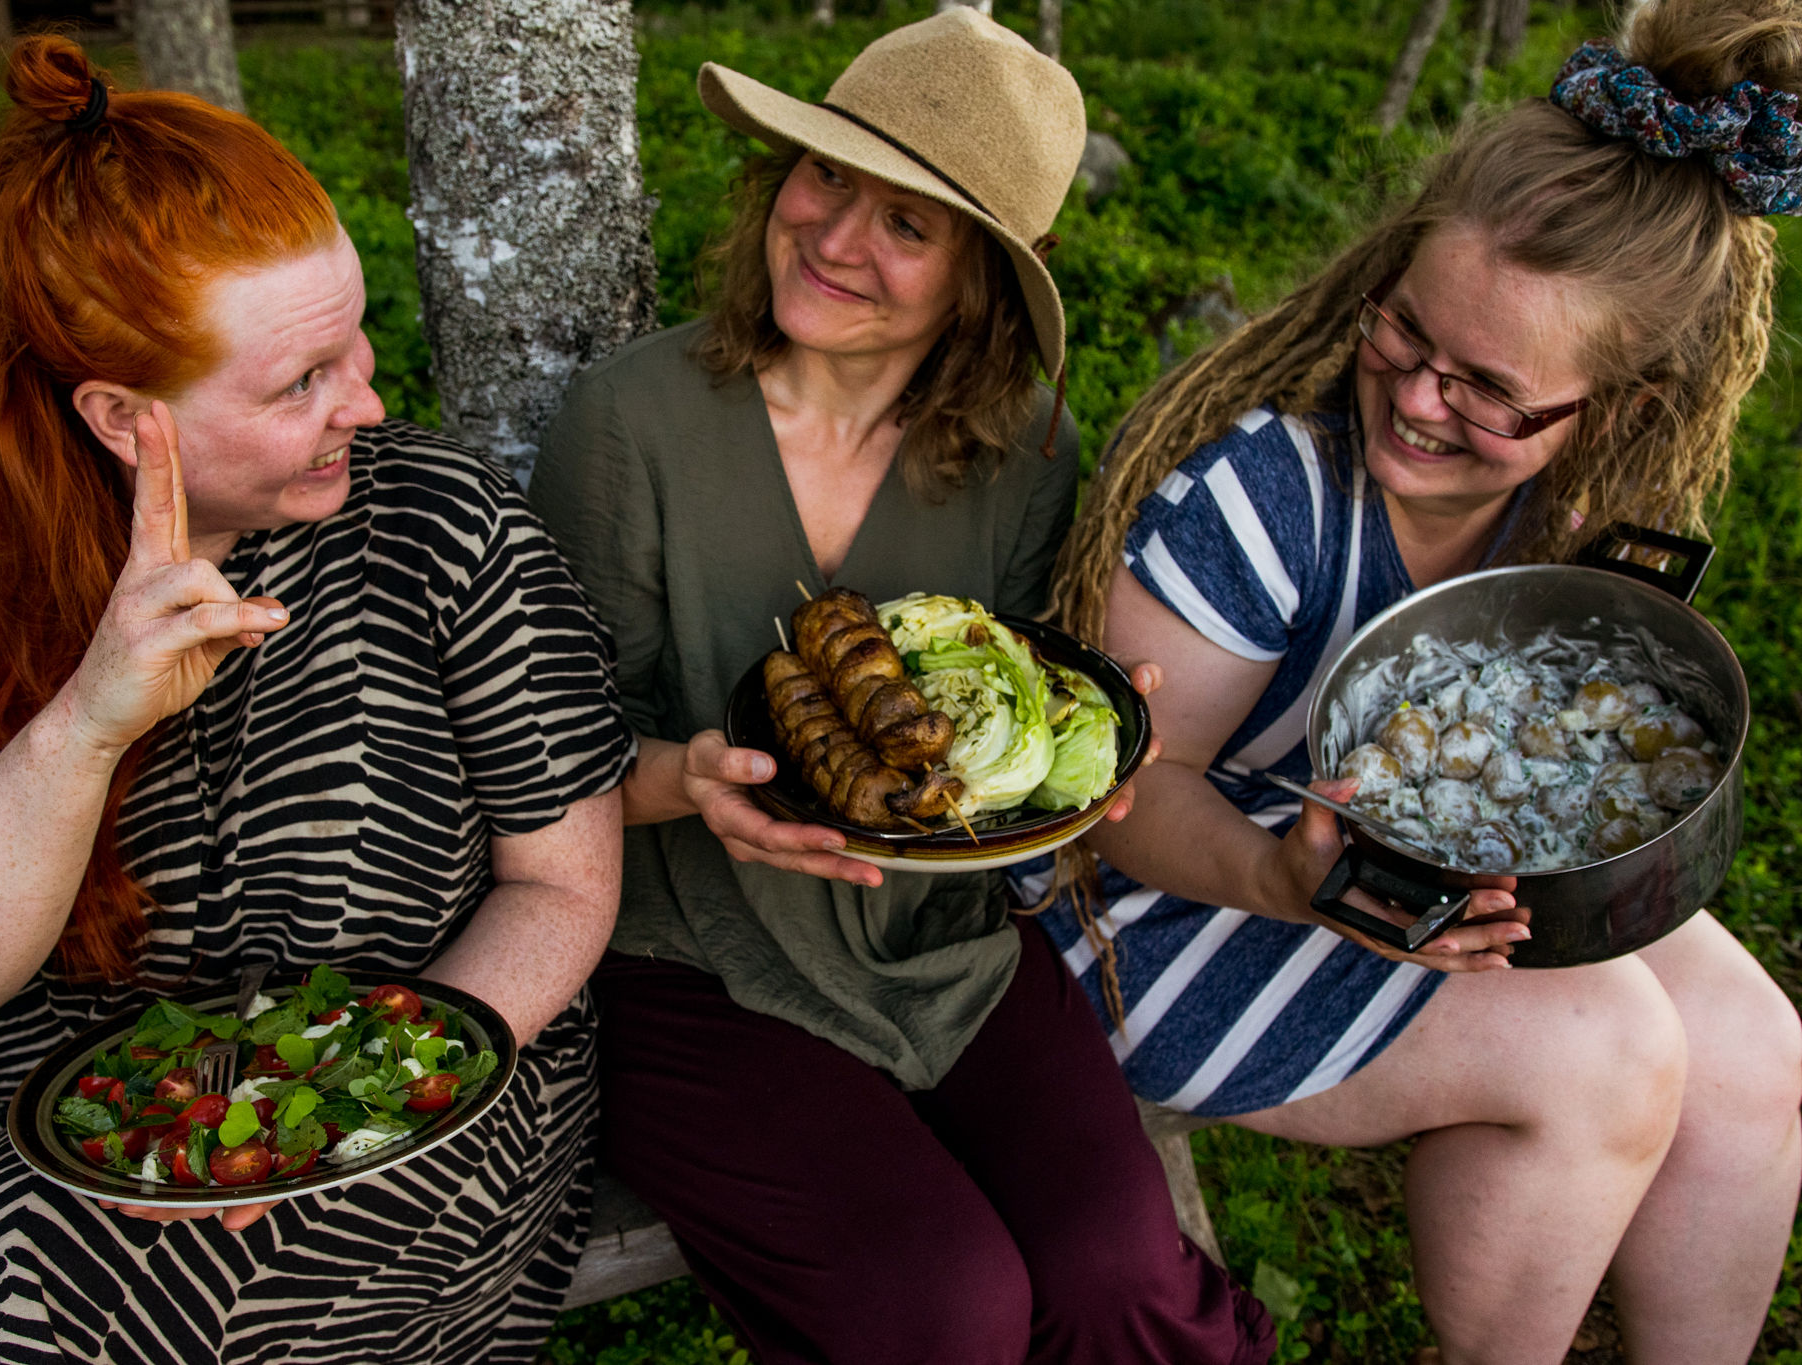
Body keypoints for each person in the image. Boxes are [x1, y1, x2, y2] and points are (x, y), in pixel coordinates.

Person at [0, 37, 632, 1365]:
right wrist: (86, 720)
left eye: (354, 343)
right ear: (124, 416)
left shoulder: (442, 534)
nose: (365, 400)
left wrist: (350, 1109)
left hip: (435, 1115)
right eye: (300, 384)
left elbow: (563, 886)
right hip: (97, 1156)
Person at [1030, 2, 1802, 1359]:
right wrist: (1287, 880)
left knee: (1754, 1049)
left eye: (1491, 391)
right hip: (1151, 906)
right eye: (1407, 333)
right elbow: (1124, 792)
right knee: (1609, 1051)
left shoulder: (1574, 505)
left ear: (1613, 412)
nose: (1424, 398)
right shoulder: (1267, 497)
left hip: (1389, 855)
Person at [529, 11, 1274, 1364]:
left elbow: (1011, 728)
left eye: (910, 225)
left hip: (944, 945)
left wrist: (1085, 738)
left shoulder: (1029, 457)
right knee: (938, 1308)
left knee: (1115, 1272)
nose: (836, 238)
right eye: (828, 179)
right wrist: (686, 779)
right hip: (687, 959)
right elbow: (549, 766)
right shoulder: (631, 425)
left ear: (983, 276)